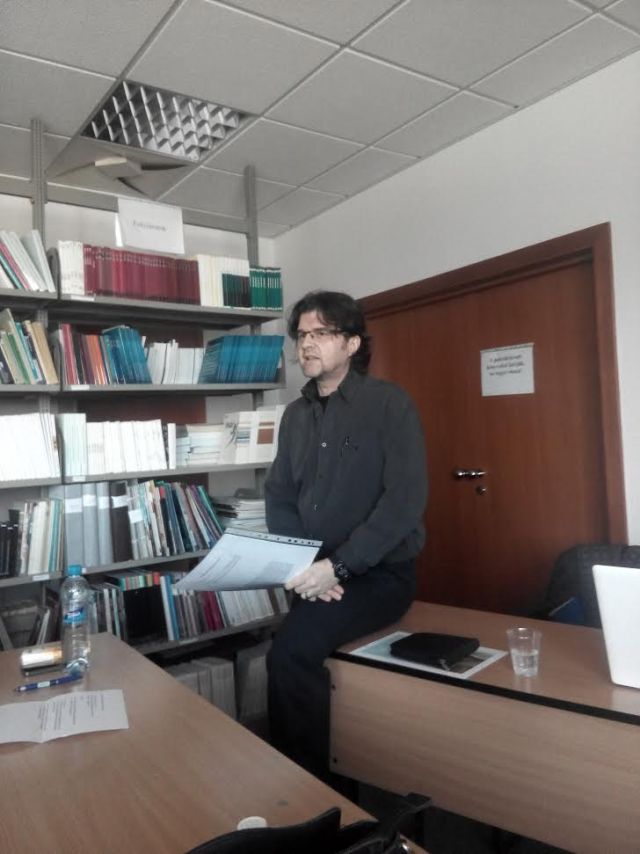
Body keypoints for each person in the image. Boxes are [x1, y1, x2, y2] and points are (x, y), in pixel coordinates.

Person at [265, 290, 428, 779]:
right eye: (301, 335)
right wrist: (305, 565)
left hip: (379, 575)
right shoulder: (295, 417)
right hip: (313, 573)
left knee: (289, 654)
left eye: (321, 333)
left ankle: (309, 792)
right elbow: (279, 497)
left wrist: (337, 567)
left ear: (353, 343)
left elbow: (402, 504)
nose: (307, 344)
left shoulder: (389, 405)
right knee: (299, 650)